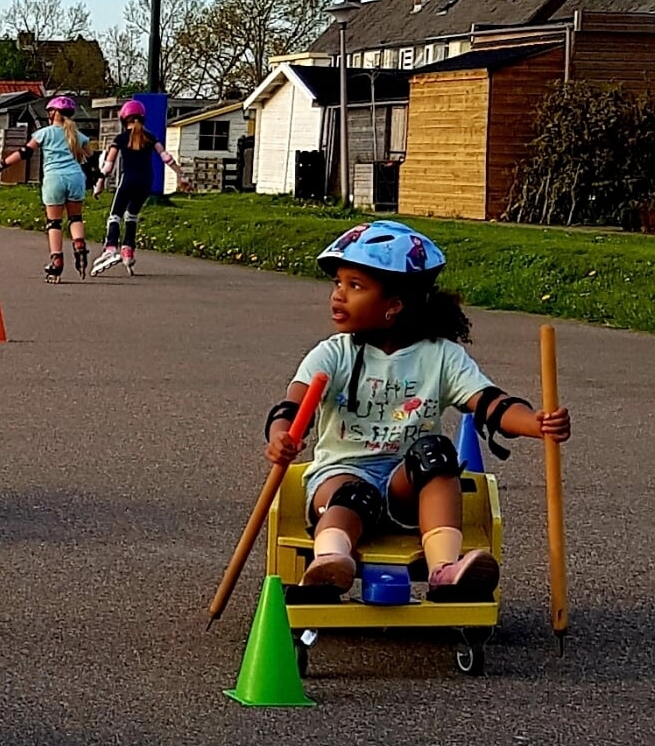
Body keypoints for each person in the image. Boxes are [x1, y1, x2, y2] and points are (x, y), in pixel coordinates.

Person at [264, 220, 571, 601]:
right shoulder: (334, 352)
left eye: (355, 286)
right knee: (352, 494)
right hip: (342, 475)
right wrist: (282, 434)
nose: (338, 296)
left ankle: (445, 569)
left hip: (404, 487)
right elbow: (294, 405)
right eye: (337, 283)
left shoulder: (438, 355)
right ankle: (331, 561)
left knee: (437, 453)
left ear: (394, 305)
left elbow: (489, 403)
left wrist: (536, 423)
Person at [0, 95, 93, 282]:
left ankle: (57, 261)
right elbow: (92, 157)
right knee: (75, 218)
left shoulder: (44, 133)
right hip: (76, 178)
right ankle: (79, 246)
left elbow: (25, 153)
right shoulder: (77, 135)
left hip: (54, 179)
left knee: (54, 223)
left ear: (53, 113)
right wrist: (98, 177)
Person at [90, 99, 190, 275]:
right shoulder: (150, 137)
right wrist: (181, 175)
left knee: (115, 215)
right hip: (146, 182)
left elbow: (108, 165)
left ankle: (111, 247)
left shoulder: (120, 139)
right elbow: (166, 157)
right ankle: (128, 250)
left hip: (128, 180)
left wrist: (100, 182)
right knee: (132, 215)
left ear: (123, 118)